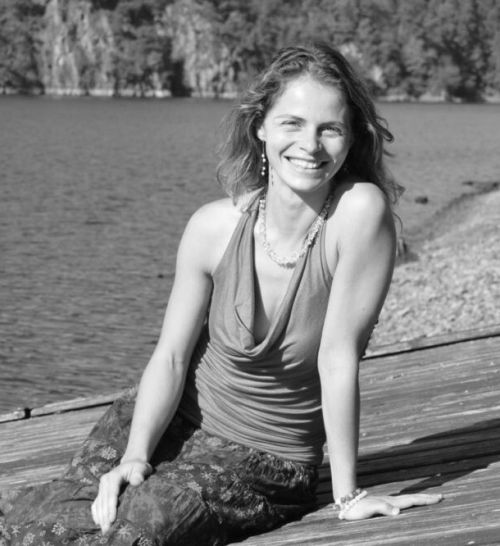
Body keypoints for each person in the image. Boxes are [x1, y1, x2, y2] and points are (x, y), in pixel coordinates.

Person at [0, 42, 442, 545]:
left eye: (330, 128)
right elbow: (171, 356)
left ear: (350, 137)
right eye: (292, 123)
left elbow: (337, 357)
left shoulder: (358, 213)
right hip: (167, 419)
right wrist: (135, 456)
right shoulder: (212, 227)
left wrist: (348, 497)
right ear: (261, 127)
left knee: (134, 531)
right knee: (51, 519)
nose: (310, 144)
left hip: (264, 460)